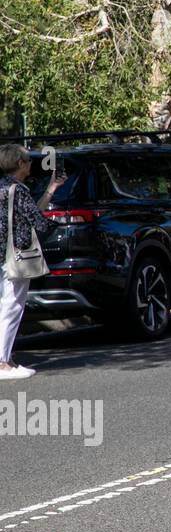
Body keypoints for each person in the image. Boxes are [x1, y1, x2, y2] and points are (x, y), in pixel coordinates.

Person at [0, 145, 65, 379]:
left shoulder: (3, 187)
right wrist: (59, 226)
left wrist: (51, 189)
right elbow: (38, 221)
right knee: (12, 306)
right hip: (13, 257)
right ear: (19, 164)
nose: (30, 164)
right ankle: (3, 363)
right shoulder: (18, 190)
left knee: (3, 305)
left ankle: (6, 358)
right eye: (27, 160)